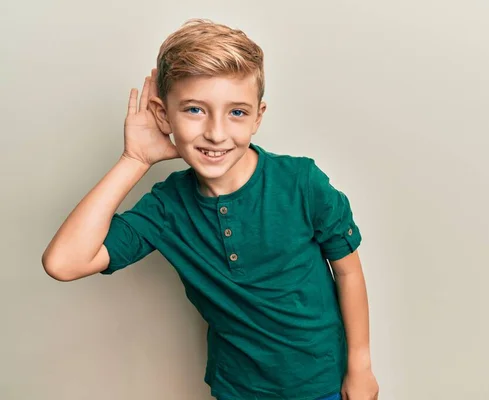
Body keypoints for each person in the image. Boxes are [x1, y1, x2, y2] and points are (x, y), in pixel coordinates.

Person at [42, 19, 379, 400]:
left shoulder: (302, 182)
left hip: (324, 384)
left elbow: (348, 271)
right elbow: (64, 262)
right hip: (237, 390)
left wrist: (361, 366)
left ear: (258, 116)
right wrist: (134, 159)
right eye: (194, 110)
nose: (216, 133)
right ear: (163, 114)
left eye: (236, 112)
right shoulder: (167, 208)